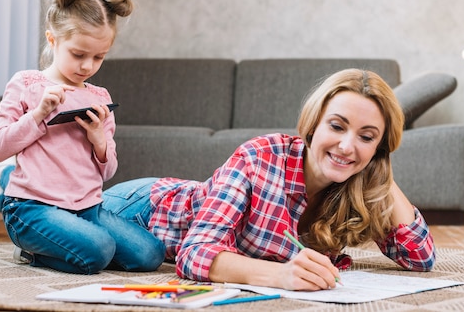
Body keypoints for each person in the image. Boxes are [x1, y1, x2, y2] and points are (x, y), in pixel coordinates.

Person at [100, 68, 435, 291]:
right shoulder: (261, 157)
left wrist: (378, 166)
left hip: (158, 210)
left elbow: (420, 258)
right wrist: (280, 276)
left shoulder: (359, 178)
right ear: (314, 123)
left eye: (366, 136)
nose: (347, 146)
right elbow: (194, 254)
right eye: (336, 126)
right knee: (96, 244)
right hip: (141, 209)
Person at [0, 0, 165, 274]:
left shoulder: (99, 96)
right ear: (53, 39)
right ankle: (28, 245)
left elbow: (108, 171)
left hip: (87, 208)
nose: (87, 66)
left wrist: (98, 138)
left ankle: (70, 241)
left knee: (150, 255)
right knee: (99, 251)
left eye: (99, 57)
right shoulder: (26, 84)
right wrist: (38, 115)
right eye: (78, 54)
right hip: (31, 208)